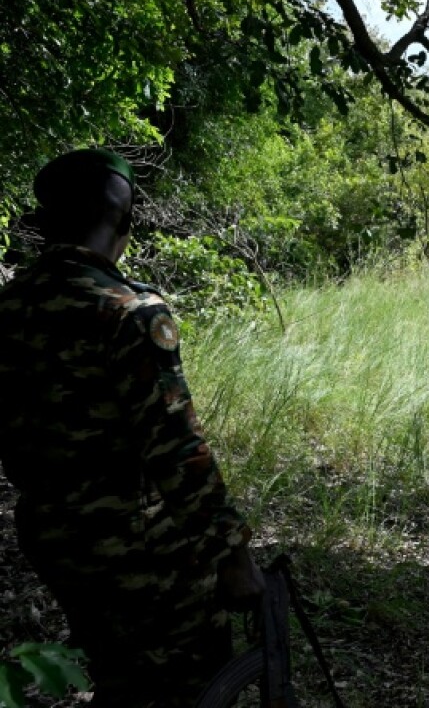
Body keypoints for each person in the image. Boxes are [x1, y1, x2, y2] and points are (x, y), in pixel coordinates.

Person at [0, 149, 264, 708]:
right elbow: (176, 448)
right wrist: (234, 554)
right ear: (125, 223)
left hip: (51, 535)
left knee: (117, 672)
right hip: (134, 543)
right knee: (188, 682)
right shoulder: (128, 310)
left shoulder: (10, 306)